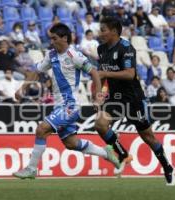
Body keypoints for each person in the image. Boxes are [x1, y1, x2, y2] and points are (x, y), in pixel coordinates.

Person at [13, 23, 120, 179]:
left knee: (41, 129)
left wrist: (98, 95)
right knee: (71, 143)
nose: (52, 41)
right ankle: (106, 153)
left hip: (70, 105)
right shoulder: (51, 55)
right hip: (59, 106)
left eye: (54, 38)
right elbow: (36, 71)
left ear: (64, 38)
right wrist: (22, 88)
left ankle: (31, 169)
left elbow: (95, 73)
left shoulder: (74, 55)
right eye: (50, 38)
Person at [95, 17, 175, 186]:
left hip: (134, 99)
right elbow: (102, 75)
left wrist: (104, 75)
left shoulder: (126, 48)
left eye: (103, 30)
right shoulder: (101, 49)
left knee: (148, 137)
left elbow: (130, 74)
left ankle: (167, 167)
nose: (100, 33)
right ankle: (123, 154)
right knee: (100, 124)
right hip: (116, 98)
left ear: (115, 31)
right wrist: (101, 93)